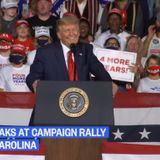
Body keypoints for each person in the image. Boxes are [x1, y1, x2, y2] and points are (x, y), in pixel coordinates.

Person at [26, 15, 112, 93]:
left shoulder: (86, 50)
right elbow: (32, 76)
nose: (72, 34)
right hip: (53, 102)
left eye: (74, 30)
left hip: (81, 103)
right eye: (67, 30)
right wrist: (35, 83)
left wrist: (110, 83)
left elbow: (102, 74)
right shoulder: (45, 52)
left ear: (78, 33)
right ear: (59, 35)